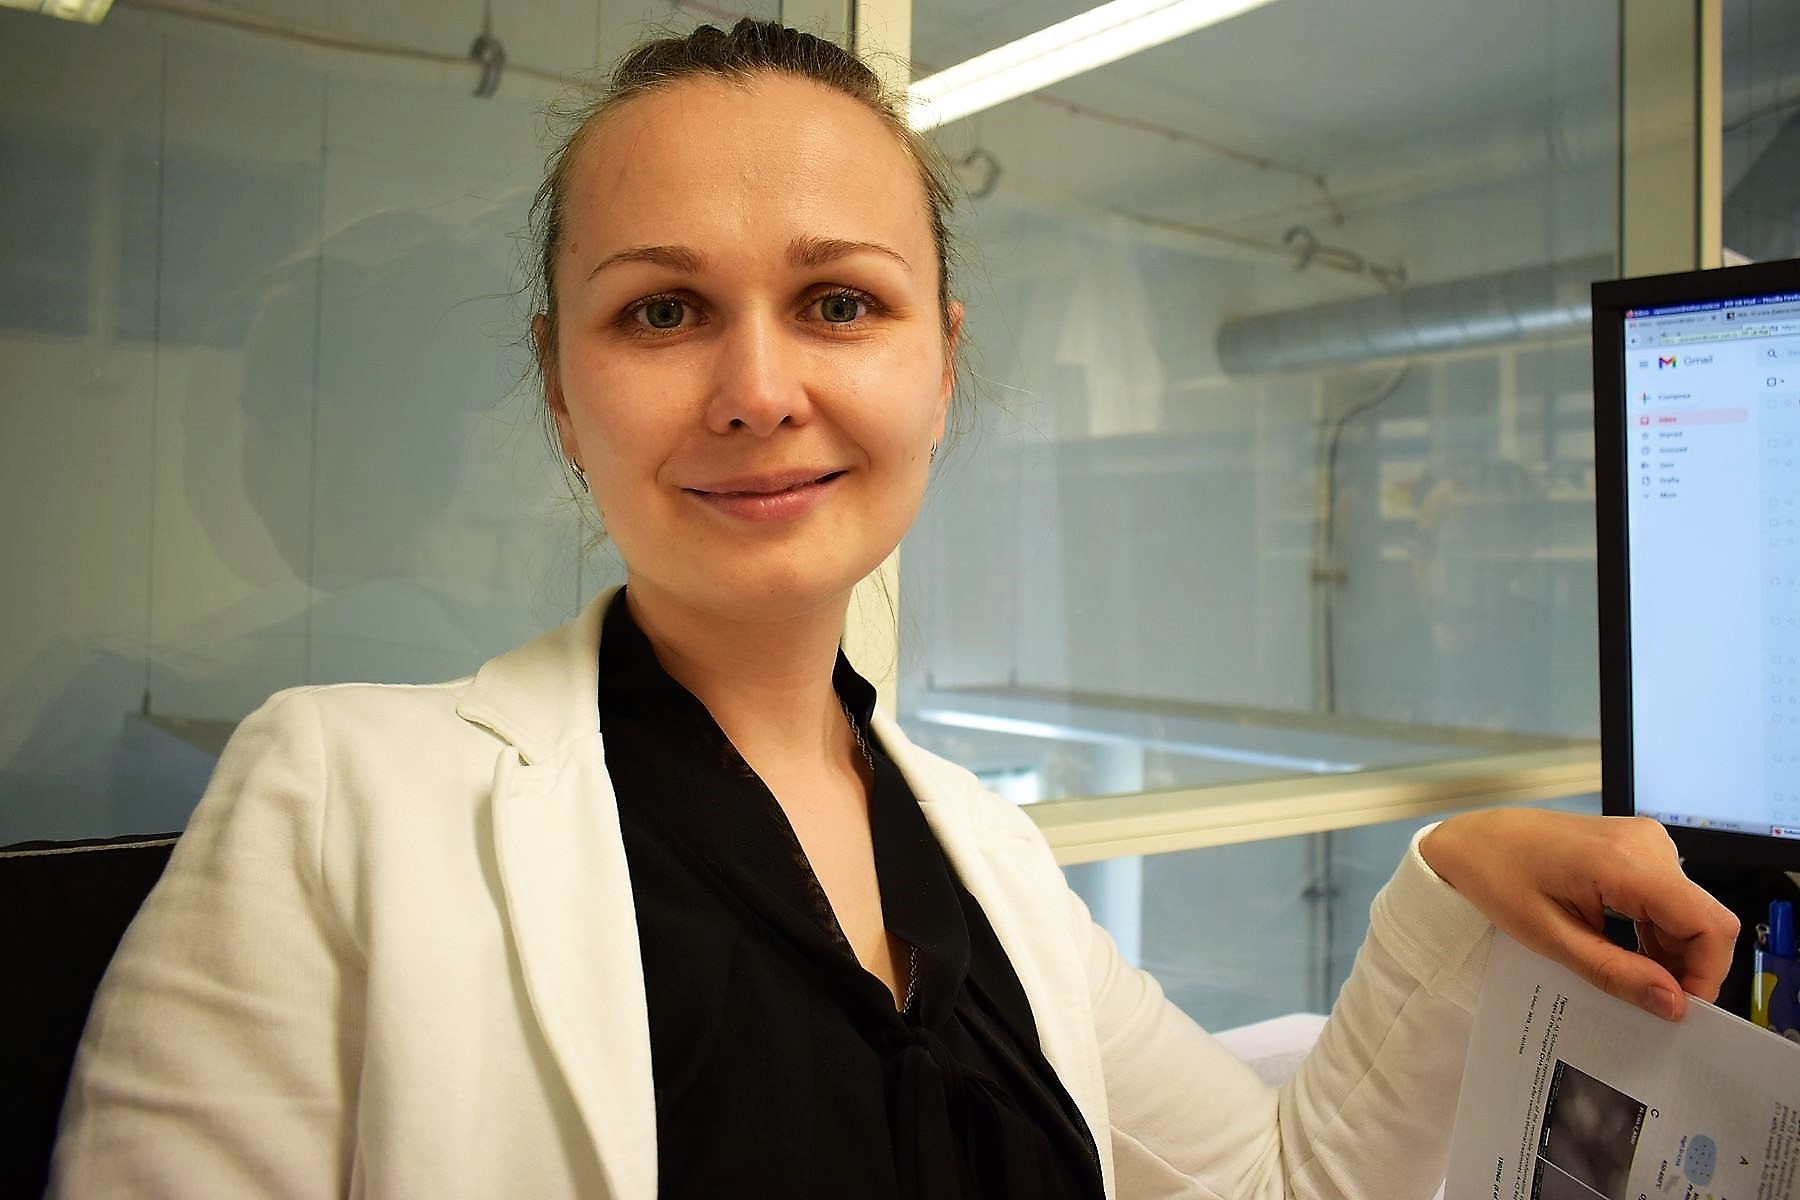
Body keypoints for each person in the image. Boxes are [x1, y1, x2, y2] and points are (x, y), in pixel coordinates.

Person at [50, 19, 1737, 1200]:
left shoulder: (991, 862)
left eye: (840, 303)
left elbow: (1268, 1183)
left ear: (941, 366)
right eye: (661, 313)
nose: (757, 387)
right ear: (563, 391)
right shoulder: (337, 798)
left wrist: (1447, 885)